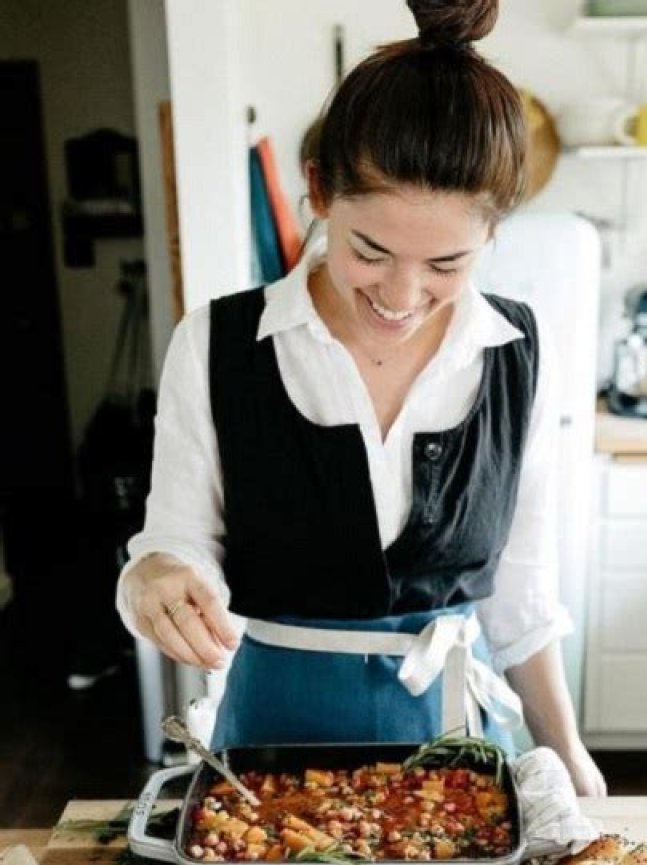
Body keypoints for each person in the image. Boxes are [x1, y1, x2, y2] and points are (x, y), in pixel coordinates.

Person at [117, 0, 606, 796]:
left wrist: (570, 757)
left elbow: (521, 597)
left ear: (494, 234)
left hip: (453, 754)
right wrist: (153, 577)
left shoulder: (519, 355)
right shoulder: (218, 344)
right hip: (268, 757)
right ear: (318, 190)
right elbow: (177, 543)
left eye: (447, 264)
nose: (403, 294)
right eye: (369, 251)